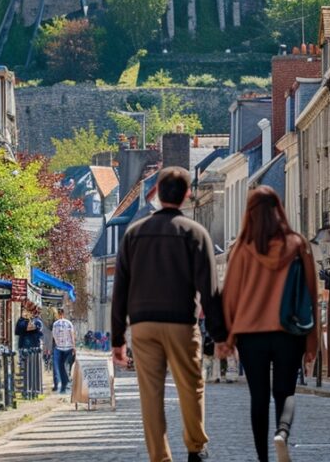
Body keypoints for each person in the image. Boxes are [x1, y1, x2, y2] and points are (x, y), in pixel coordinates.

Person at [111, 166, 223, 462]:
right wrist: (221, 334)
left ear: (157, 194)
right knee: (191, 386)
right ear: (187, 195)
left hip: (143, 324)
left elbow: (120, 290)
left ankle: (159, 456)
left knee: (150, 394)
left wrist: (117, 340)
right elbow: (209, 290)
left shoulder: (134, 234)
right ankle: (196, 447)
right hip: (181, 322)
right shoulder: (195, 233)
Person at [220, 186, 319, 462]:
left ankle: (263, 458)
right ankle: (282, 433)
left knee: (259, 396)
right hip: (290, 331)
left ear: (249, 214)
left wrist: (227, 338)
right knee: (286, 390)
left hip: (251, 335)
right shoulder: (298, 245)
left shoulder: (241, 249)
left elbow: (230, 296)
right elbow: (311, 295)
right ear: (279, 209)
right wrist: (313, 341)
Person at [51, 307, 77, 394]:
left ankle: (61, 385)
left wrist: (58, 343)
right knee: (66, 366)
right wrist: (74, 347)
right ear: (64, 313)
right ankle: (66, 385)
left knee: (58, 367)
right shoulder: (69, 323)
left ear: (58, 314)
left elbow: (54, 335)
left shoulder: (55, 324)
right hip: (68, 347)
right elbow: (72, 335)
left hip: (58, 348)